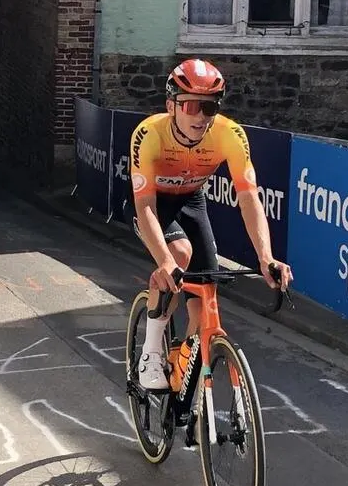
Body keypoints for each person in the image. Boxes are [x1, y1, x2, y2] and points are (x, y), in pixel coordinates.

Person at [125, 58, 294, 390]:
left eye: (210, 107)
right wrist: (165, 262)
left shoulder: (229, 134)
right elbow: (144, 205)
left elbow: (248, 197)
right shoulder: (148, 134)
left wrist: (266, 258)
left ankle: (184, 368)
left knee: (205, 306)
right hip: (156, 202)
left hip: (192, 199)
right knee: (180, 254)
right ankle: (150, 350)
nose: (200, 116)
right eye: (191, 106)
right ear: (171, 105)